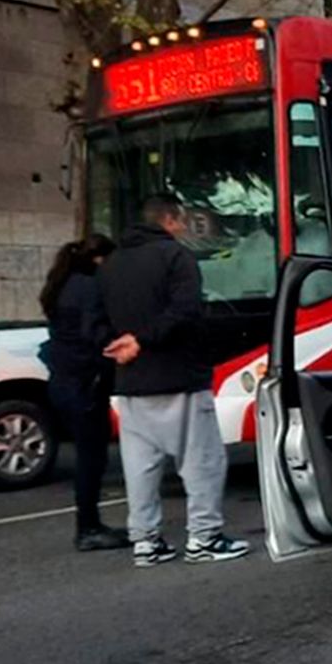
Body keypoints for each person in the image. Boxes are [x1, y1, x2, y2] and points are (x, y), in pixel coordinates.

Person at [99, 194, 249, 568]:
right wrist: (145, 340)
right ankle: (204, 537)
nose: (183, 228)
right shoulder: (176, 257)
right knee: (202, 461)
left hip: (130, 381)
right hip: (178, 375)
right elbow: (185, 311)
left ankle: (146, 542)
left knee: (140, 467)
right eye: (181, 220)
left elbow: (101, 316)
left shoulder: (112, 262)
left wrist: (125, 345)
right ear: (169, 220)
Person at [39, 234, 128, 552]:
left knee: (87, 456)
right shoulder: (88, 288)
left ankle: (89, 524)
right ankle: (88, 528)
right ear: (98, 260)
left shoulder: (61, 285)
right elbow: (95, 332)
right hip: (84, 385)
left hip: (65, 382)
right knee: (92, 459)